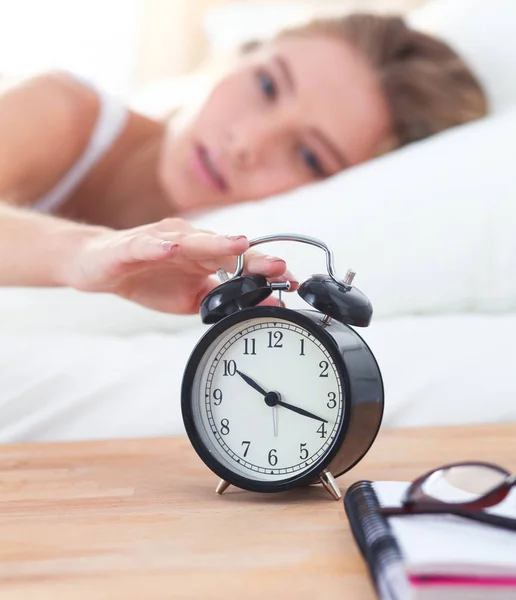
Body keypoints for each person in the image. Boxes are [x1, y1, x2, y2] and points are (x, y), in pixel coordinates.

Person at [0, 13, 488, 316]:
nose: (247, 142)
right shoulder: (61, 108)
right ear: (236, 57)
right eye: (268, 86)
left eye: (309, 155)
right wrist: (82, 253)